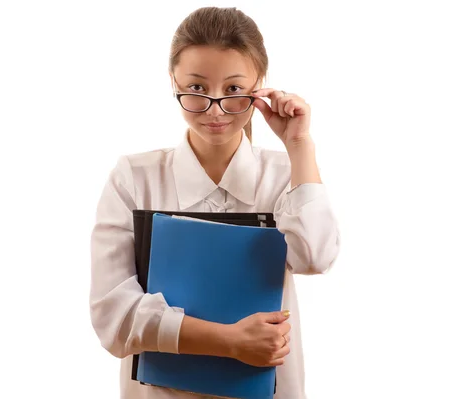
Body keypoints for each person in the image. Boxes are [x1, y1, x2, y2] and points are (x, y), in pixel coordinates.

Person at [89, 6, 341, 399]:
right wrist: (229, 341)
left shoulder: (284, 174)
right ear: (173, 80)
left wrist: (299, 146)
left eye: (234, 89)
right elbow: (114, 318)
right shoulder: (134, 177)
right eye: (198, 88)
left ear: (260, 85)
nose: (215, 108)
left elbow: (316, 257)